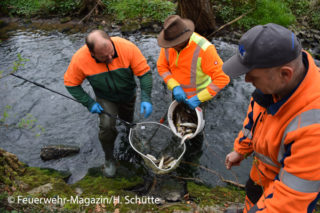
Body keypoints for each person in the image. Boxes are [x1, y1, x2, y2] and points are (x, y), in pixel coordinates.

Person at [223, 23, 320, 213]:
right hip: (261, 175)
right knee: (252, 197)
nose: (247, 81)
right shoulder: (273, 86)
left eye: (253, 76)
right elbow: (253, 119)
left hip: (282, 191)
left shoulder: (314, 127)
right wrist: (241, 150)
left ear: (285, 74)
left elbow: (289, 203)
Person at [64, 30, 153, 177]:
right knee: (106, 127)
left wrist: (146, 98)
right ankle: (109, 159)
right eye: (104, 57)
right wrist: (89, 103)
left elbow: (144, 73)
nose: (110, 58)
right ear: (92, 53)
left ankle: (133, 137)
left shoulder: (127, 47)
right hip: (106, 98)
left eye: (111, 53)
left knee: (128, 120)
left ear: (111, 42)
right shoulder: (80, 59)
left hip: (128, 94)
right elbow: (70, 83)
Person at [156, 15, 230, 110]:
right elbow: (162, 67)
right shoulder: (168, 43)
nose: (169, 46)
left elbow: (223, 77)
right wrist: (174, 86)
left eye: (173, 44)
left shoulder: (205, 49)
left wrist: (199, 98)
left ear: (182, 39)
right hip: (177, 93)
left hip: (198, 96)